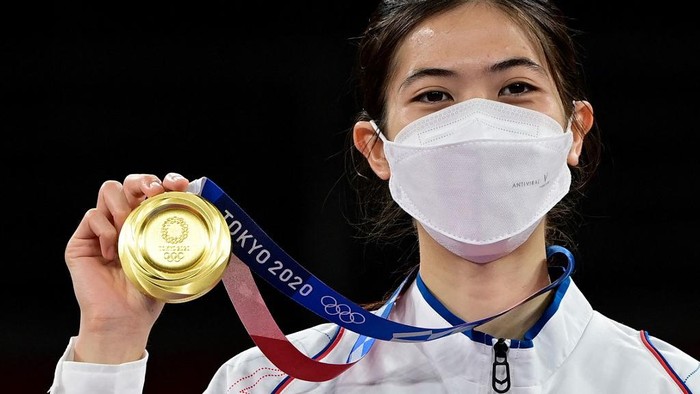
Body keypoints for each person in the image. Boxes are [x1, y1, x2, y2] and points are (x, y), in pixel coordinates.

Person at [49, 0, 699, 393]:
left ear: (574, 131)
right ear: (376, 148)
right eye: (434, 96)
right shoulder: (267, 382)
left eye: (515, 90)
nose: (475, 125)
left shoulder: (674, 383)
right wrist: (108, 342)